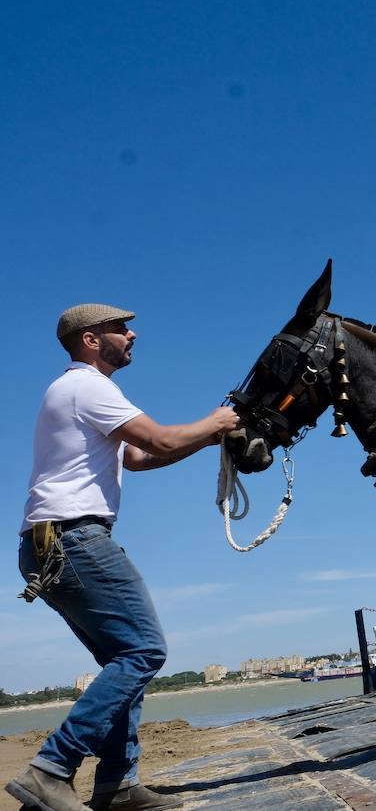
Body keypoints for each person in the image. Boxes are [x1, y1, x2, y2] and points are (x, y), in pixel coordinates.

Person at [7, 304, 240, 811]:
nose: (131, 335)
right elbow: (157, 438)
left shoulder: (77, 392)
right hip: (73, 538)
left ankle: (118, 785)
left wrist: (208, 439)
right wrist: (216, 420)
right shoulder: (87, 387)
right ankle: (51, 769)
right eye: (120, 329)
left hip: (50, 543)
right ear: (91, 340)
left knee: (122, 659)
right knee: (143, 652)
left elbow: (138, 458)